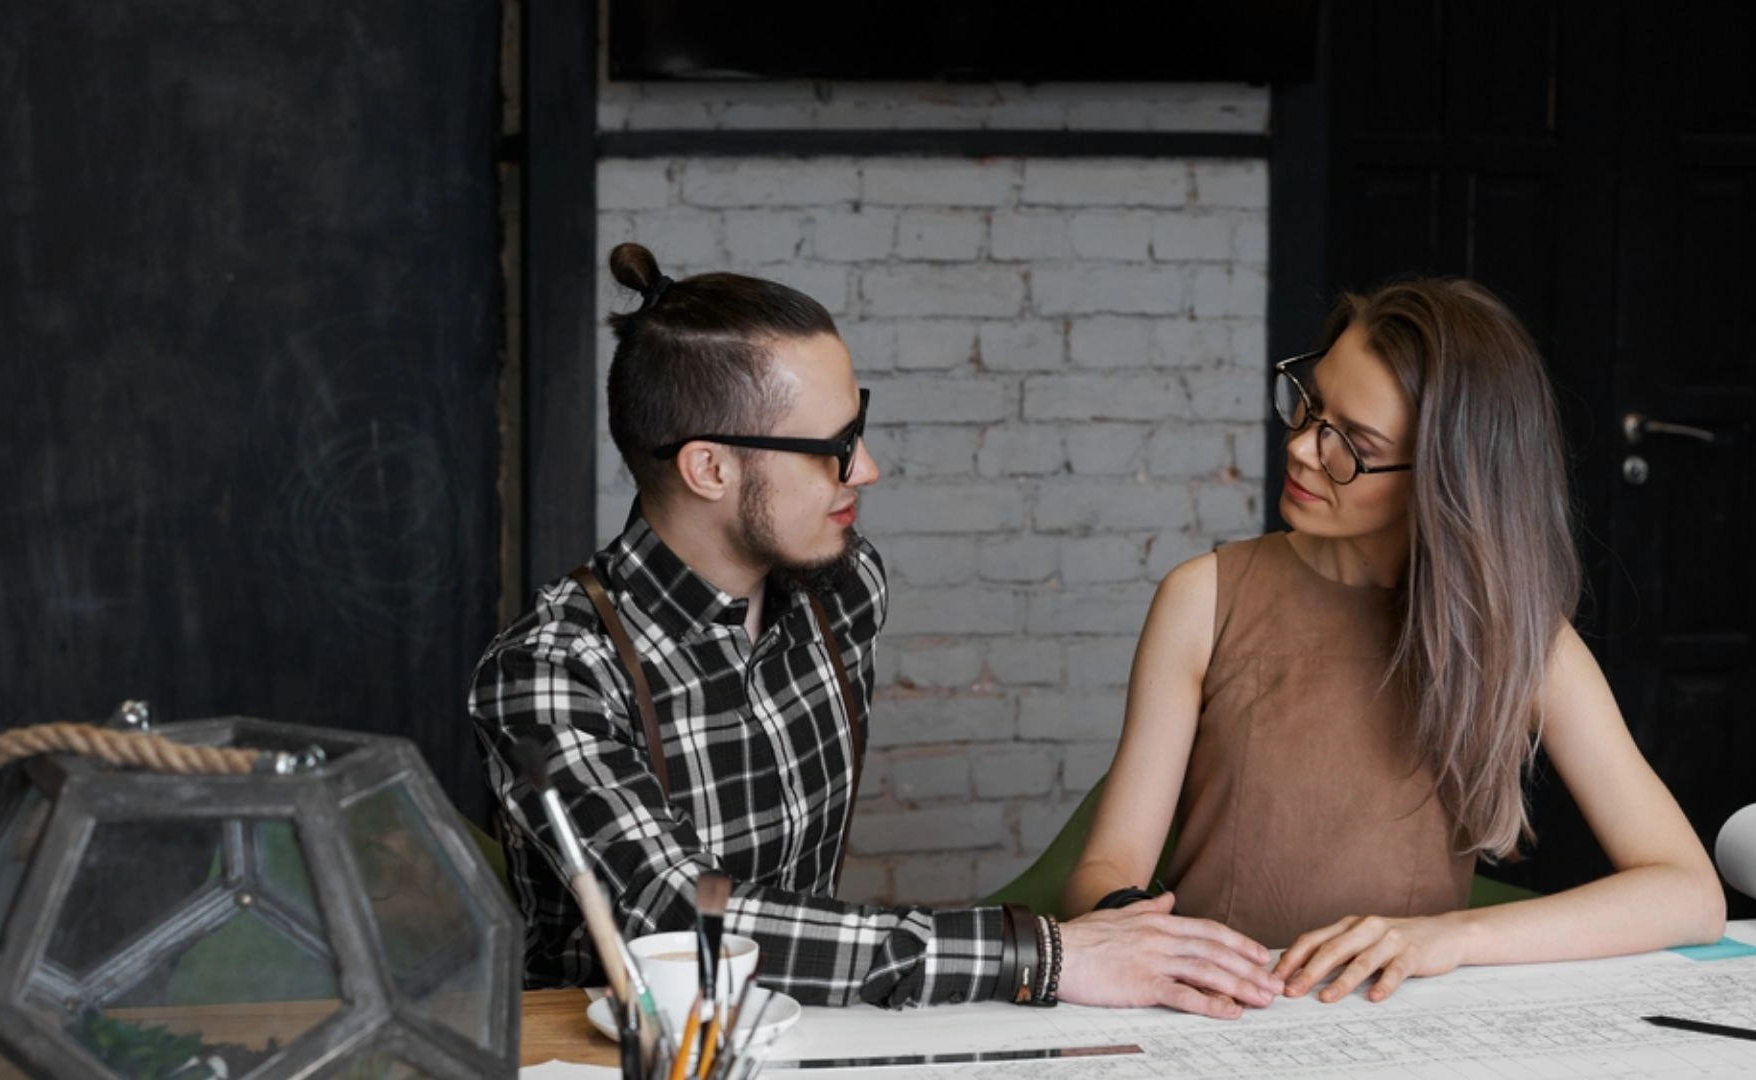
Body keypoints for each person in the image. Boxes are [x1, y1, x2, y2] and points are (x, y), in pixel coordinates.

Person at [469, 243, 1284, 1015]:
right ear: (709, 467)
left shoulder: (842, 588)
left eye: (858, 428)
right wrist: (1042, 955)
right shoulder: (554, 671)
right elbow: (679, 918)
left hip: (814, 1031)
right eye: (834, 448)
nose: (867, 469)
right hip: (614, 1054)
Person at [1061, 278, 1726, 1007]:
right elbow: (1104, 866)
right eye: (1309, 406)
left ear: (1445, 478)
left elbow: (1689, 894)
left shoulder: (1521, 640)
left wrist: (1450, 936)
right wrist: (1137, 930)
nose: (1305, 449)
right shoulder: (1204, 598)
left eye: (1353, 443)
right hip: (1219, 1016)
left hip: (1394, 1024)